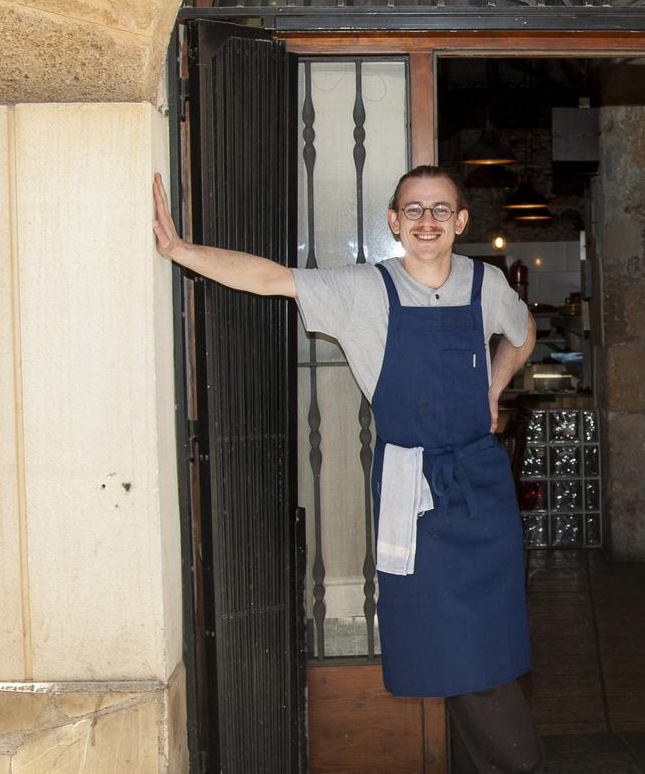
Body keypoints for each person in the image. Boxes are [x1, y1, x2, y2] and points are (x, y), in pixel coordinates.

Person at [151, 165, 545, 774]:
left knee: (485, 647)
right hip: (416, 493)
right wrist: (179, 251)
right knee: (461, 652)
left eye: (441, 209)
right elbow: (270, 277)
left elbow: (523, 332)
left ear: (461, 222)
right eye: (413, 210)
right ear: (393, 221)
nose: (427, 221)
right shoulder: (363, 289)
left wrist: (495, 388)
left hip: (482, 485)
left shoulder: (485, 283)